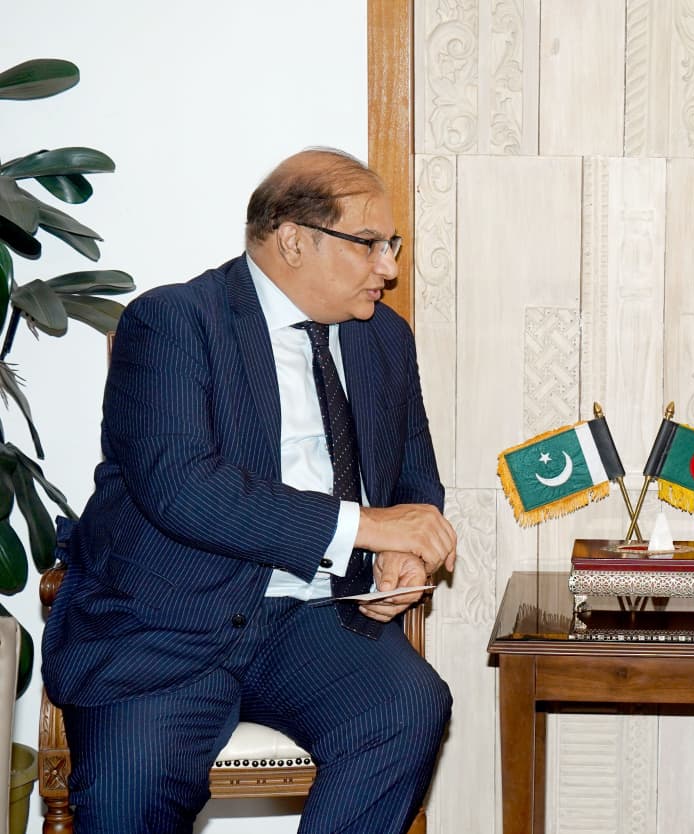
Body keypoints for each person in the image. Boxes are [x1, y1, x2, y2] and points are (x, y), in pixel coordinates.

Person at [42, 148, 457, 834]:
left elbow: (413, 479)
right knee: (129, 793)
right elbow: (182, 487)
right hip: (169, 621)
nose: (387, 266)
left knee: (406, 708)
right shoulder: (173, 322)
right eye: (369, 243)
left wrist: (403, 553)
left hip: (314, 618)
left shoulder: (384, 338)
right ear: (293, 240)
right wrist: (367, 527)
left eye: (393, 244)